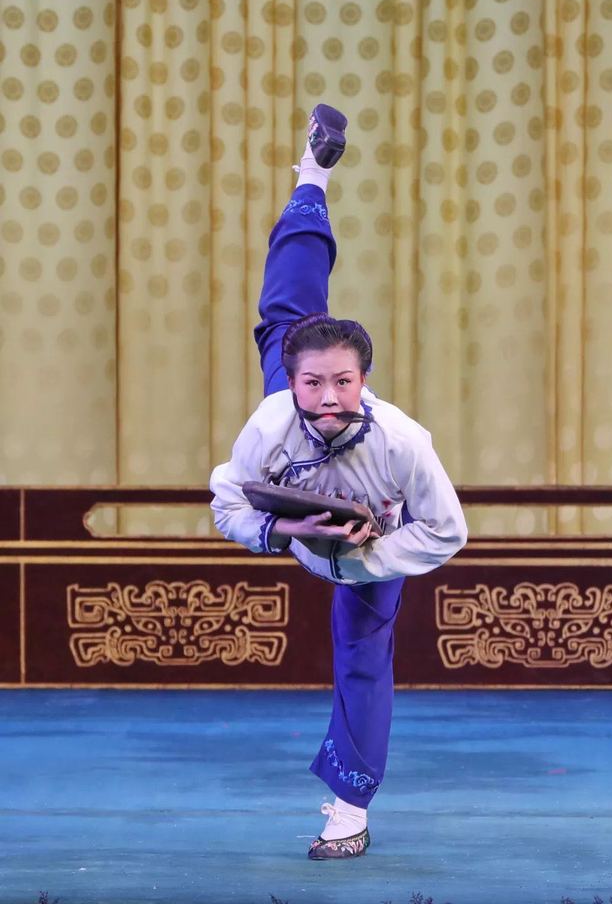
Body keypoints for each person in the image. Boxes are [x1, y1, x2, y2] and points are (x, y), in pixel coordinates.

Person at [210, 105, 468, 860]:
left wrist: (363, 556)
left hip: (375, 544)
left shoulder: (402, 443)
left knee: (362, 655)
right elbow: (227, 499)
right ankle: (312, 177)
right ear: (293, 385)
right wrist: (284, 530)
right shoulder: (273, 420)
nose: (328, 398)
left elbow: (447, 531)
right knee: (286, 313)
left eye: (343, 382)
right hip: (298, 523)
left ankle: (349, 810)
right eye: (313, 383)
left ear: (365, 381)